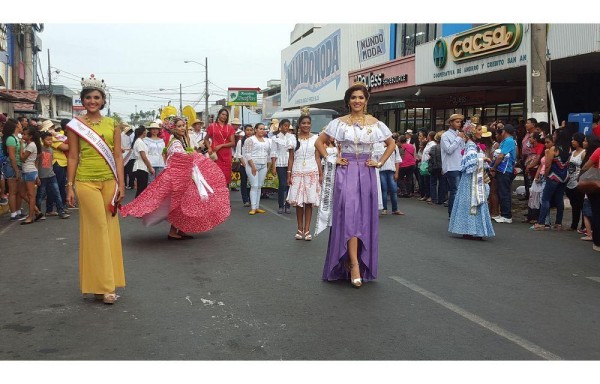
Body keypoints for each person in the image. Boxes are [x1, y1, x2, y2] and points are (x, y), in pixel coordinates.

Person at [315, 82, 396, 289]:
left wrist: (378, 162)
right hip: (346, 171)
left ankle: (357, 261)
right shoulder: (339, 123)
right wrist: (331, 159)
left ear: (366, 100)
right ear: (348, 101)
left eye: (360, 97)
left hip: (367, 172)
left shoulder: (375, 123)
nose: (357, 101)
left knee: (364, 220)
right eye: (353, 98)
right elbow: (319, 142)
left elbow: (391, 144)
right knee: (349, 217)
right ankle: (354, 264)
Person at [65, 75, 126, 304]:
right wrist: (68, 186)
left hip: (109, 181)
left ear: (103, 100)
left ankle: (100, 283)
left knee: (109, 230)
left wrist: (121, 183)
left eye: (96, 97)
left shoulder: (113, 124)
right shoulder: (75, 125)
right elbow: (72, 156)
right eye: (88, 97)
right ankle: (105, 286)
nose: (92, 101)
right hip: (85, 181)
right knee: (96, 229)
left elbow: (118, 155)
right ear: (83, 100)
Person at [121, 117, 230, 239]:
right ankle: (173, 232)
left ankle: (180, 229)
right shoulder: (175, 142)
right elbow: (179, 157)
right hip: (177, 178)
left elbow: (185, 155)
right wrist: (194, 156)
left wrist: (194, 154)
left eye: (183, 125)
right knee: (178, 204)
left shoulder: (181, 140)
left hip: (184, 176)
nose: (182, 128)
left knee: (185, 203)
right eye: (179, 126)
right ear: (174, 128)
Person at [448, 122, 495, 240]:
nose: (481, 132)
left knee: (473, 201)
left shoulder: (473, 145)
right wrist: (483, 158)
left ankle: (471, 229)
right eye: (479, 129)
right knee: (472, 201)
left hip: (475, 178)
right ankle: (471, 229)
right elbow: (471, 163)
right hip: (471, 179)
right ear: (473, 132)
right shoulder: (471, 145)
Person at [287, 111, 321, 240]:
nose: (306, 125)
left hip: (312, 172)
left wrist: (321, 174)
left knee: (309, 202)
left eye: (308, 123)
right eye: (303, 123)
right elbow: (291, 158)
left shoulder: (316, 138)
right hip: (297, 172)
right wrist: (288, 174)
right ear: (299, 125)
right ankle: (299, 228)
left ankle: (307, 230)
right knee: (299, 203)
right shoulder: (292, 139)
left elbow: (318, 158)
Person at [243, 123, 277, 215]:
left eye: (263, 129)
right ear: (256, 130)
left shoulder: (268, 141)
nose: (262, 131)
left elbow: (270, 154)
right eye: (260, 129)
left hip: (263, 165)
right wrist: (253, 167)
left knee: (259, 186)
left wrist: (268, 166)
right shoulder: (250, 140)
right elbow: (247, 154)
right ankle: (253, 207)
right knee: (254, 185)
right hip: (252, 164)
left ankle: (257, 206)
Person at [35, 132, 70, 220]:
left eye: (51, 140)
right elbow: (36, 163)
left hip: (51, 175)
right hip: (42, 176)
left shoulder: (51, 150)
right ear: (42, 140)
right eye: (48, 140)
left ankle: (61, 212)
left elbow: (50, 163)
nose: (50, 142)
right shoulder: (40, 150)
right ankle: (38, 213)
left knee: (57, 193)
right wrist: (37, 176)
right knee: (40, 196)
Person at [490, 124, 517, 223]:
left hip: (506, 170)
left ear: (505, 131)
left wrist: (494, 167)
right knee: (501, 191)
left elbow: (501, 156)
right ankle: (504, 214)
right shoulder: (505, 141)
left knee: (504, 192)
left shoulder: (509, 141)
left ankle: (506, 215)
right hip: (502, 170)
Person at [441, 114, 466, 217]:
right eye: (457, 122)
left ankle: (458, 213)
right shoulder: (445, 135)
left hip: (461, 165)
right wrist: (458, 139)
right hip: (451, 166)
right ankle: (452, 213)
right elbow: (449, 150)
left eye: (460, 122)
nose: (459, 124)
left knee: (460, 191)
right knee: (455, 190)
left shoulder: (460, 134)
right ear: (450, 122)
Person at [204, 108, 236, 188]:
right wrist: (209, 148)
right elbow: (206, 139)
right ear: (219, 115)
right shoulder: (212, 126)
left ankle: (224, 198)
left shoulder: (230, 128)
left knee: (225, 178)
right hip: (215, 155)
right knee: (215, 177)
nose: (224, 116)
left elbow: (232, 143)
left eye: (226, 115)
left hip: (226, 155)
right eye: (223, 114)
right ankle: (216, 199)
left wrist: (221, 145)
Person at [2, 118, 26, 221]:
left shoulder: (17, 138)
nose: (21, 125)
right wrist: (16, 169)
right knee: (13, 191)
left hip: (19, 165)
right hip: (12, 166)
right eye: (20, 124)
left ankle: (18, 211)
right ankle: (13, 214)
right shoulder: (11, 139)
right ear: (16, 126)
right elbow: (12, 156)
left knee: (19, 191)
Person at [18, 126, 43, 225]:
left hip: (29, 171)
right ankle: (37, 211)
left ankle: (30, 216)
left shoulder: (31, 145)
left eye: (25, 134)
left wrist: (21, 146)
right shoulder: (29, 144)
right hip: (27, 171)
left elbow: (22, 158)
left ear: (30, 136)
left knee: (31, 195)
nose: (23, 136)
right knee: (22, 193)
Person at [46, 119, 70, 216]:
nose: (53, 129)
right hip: (57, 163)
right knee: (55, 187)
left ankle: (60, 207)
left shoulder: (59, 136)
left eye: (53, 127)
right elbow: (65, 147)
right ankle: (56, 208)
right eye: (51, 128)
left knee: (60, 186)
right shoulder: (52, 138)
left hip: (62, 163)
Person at [271, 118, 295, 214]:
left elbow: (293, 149)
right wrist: (273, 166)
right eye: (284, 126)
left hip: (290, 162)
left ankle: (288, 205)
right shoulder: (275, 137)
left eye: (288, 126)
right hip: (280, 162)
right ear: (280, 126)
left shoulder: (292, 137)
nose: (286, 128)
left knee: (289, 183)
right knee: (282, 184)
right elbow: (273, 152)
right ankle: (281, 205)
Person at [565, 132, 586, 231]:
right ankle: (574, 225)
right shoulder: (572, 153)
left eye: (574, 140)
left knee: (581, 205)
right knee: (574, 205)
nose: (572, 141)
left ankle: (584, 226)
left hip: (579, 183)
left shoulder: (583, 153)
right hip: (570, 182)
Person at [131, 126, 154, 197]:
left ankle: (137, 206)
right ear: (143, 132)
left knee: (141, 189)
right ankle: (136, 206)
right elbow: (143, 157)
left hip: (142, 167)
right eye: (146, 131)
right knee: (141, 189)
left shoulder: (140, 141)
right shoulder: (139, 142)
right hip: (141, 167)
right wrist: (150, 167)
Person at [234, 124, 254, 207]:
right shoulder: (241, 141)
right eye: (247, 130)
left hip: (253, 165)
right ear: (244, 131)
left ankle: (252, 199)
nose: (249, 132)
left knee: (252, 183)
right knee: (244, 182)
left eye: (250, 130)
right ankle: (245, 200)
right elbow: (239, 154)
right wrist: (245, 165)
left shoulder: (254, 140)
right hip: (244, 164)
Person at [121, 123, 135, 190]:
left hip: (123, 153)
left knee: (124, 170)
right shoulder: (130, 133)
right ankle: (130, 184)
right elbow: (132, 142)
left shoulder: (121, 134)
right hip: (129, 154)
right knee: (130, 170)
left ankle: (124, 184)